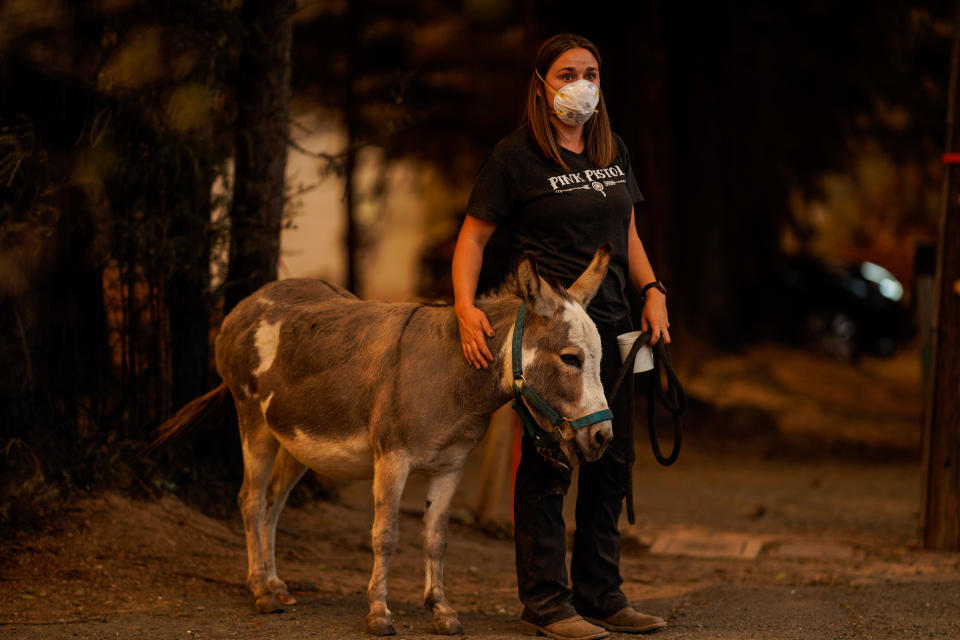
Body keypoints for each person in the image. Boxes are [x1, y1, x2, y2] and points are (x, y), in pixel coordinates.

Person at [451, 33, 671, 640]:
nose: (583, 84)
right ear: (542, 84)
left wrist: (652, 292)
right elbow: (473, 239)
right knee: (550, 463)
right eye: (568, 73)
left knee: (612, 460)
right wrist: (465, 307)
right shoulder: (513, 158)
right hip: (551, 339)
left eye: (593, 73)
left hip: (614, 336)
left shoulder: (612, 149)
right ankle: (548, 603)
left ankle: (603, 595)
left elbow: (626, 232)